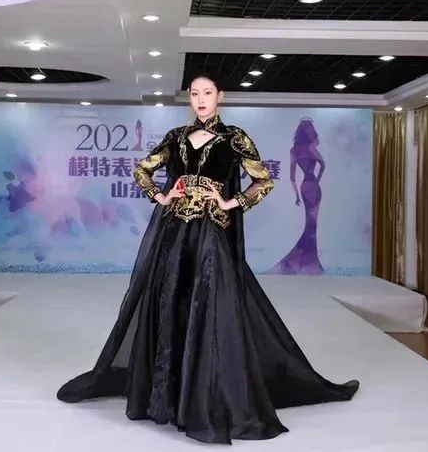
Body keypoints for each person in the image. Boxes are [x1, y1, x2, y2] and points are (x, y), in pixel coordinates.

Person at [56, 75, 359, 444]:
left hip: (212, 234)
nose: (201, 99)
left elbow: (263, 180)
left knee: (209, 306)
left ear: (220, 96)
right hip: (173, 235)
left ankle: (205, 395)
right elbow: (141, 170)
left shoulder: (235, 138)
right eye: (195, 94)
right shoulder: (175, 138)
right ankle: (169, 394)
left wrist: (232, 202)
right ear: (189, 98)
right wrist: (161, 196)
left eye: (208, 93)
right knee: (171, 303)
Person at [269, 118, 326, 274]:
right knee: (312, 224)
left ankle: (304, 262)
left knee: (310, 224)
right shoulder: (311, 148)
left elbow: (292, 177)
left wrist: (297, 195)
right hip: (313, 186)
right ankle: (308, 262)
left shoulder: (294, 151)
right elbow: (323, 164)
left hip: (304, 187)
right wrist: (317, 179)